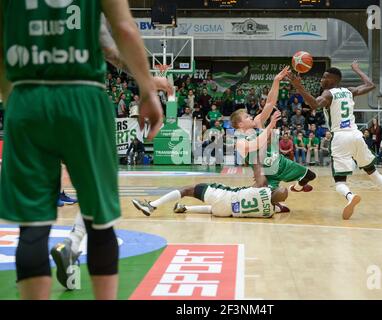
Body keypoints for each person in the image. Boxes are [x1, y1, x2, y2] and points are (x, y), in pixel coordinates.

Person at [0, 0, 172, 300]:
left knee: (32, 229)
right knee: (99, 224)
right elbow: (122, 30)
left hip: (26, 98)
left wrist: (13, 100)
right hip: (83, 97)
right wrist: (146, 86)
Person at [289, 61, 382, 219]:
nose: (321, 80)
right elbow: (370, 84)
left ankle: (350, 197)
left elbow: (314, 105)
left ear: (332, 80)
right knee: (373, 173)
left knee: (339, 182)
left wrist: (299, 86)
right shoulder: (349, 91)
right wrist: (357, 69)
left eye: (324, 77)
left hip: (340, 137)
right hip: (356, 136)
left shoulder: (328, 94)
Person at [231, 67, 316, 195]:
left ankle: (297, 187)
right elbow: (256, 144)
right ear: (240, 124)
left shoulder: (258, 121)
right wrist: (270, 125)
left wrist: (276, 81)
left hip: (282, 162)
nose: (251, 117)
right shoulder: (240, 140)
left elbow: (270, 102)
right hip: (268, 173)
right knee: (278, 197)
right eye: (247, 117)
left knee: (310, 175)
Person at [132, 183, 289, 218]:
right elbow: (283, 208)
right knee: (214, 209)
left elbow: (274, 192)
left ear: (272, 191)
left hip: (223, 197)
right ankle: (185, 208)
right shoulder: (269, 213)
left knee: (187, 190)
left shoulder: (263, 189)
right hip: (226, 212)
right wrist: (280, 205)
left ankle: (152, 205)